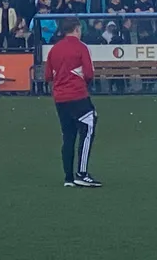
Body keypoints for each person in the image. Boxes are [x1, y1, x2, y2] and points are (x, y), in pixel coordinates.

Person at [42, 19, 101, 188]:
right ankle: (82, 173)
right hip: (77, 95)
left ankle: (68, 177)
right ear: (77, 29)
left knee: (68, 135)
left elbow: (48, 76)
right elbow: (89, 73)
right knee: (88, 127)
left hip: (60, 98)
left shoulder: (54, 49)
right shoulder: (81, 47)